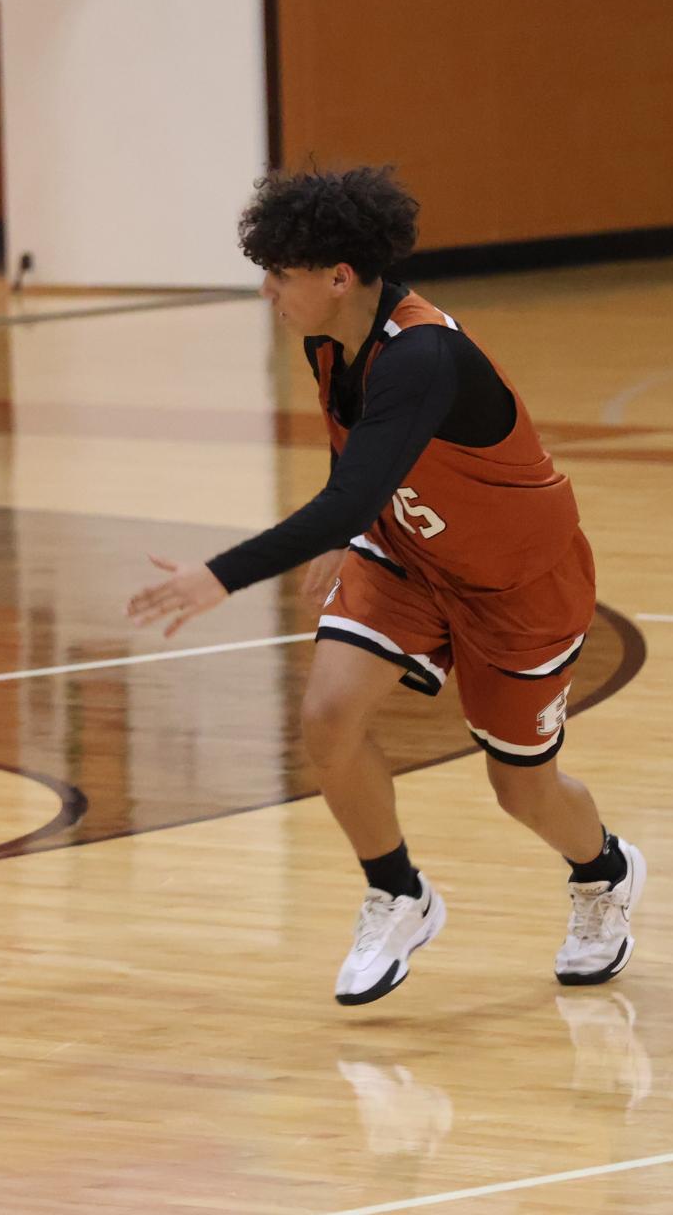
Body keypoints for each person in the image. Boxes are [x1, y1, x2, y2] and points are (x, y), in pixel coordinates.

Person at [128, 167, 642, 1005]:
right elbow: (356, 451)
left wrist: (221, 576)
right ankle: (398, 892)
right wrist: (354, 532)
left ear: (337, 276)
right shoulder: (328, 337)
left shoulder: (424, 356)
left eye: (278, 277)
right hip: (407, 554)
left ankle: (603, 872)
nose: (267, 294)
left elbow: (350, 493)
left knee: (521, 787)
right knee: (327, 718)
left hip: (518, 583)